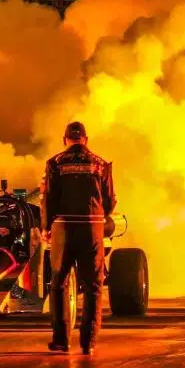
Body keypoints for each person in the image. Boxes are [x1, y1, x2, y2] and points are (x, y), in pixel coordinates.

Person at [42, 120, 116, 355]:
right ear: (86, 139)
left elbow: (49, 199)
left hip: (63, 229)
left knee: (59, 283)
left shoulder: (54, 163)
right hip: (91, 229)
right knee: (93, 286)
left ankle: (62, 340)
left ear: (65, 140)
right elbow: (110, 200)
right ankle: (89, 343)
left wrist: (46, 226)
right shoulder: (102, 165)